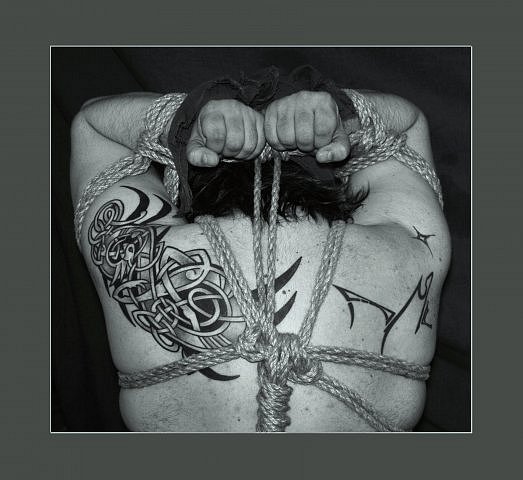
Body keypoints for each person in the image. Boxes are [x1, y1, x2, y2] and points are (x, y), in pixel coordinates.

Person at [70, 77, 450, 432]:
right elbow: (407, 125)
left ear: (188, 174)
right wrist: (341, 116)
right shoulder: (405, 252)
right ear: (336, 167)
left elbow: (93, 125)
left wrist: (183, 122)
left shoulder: (143, 255)